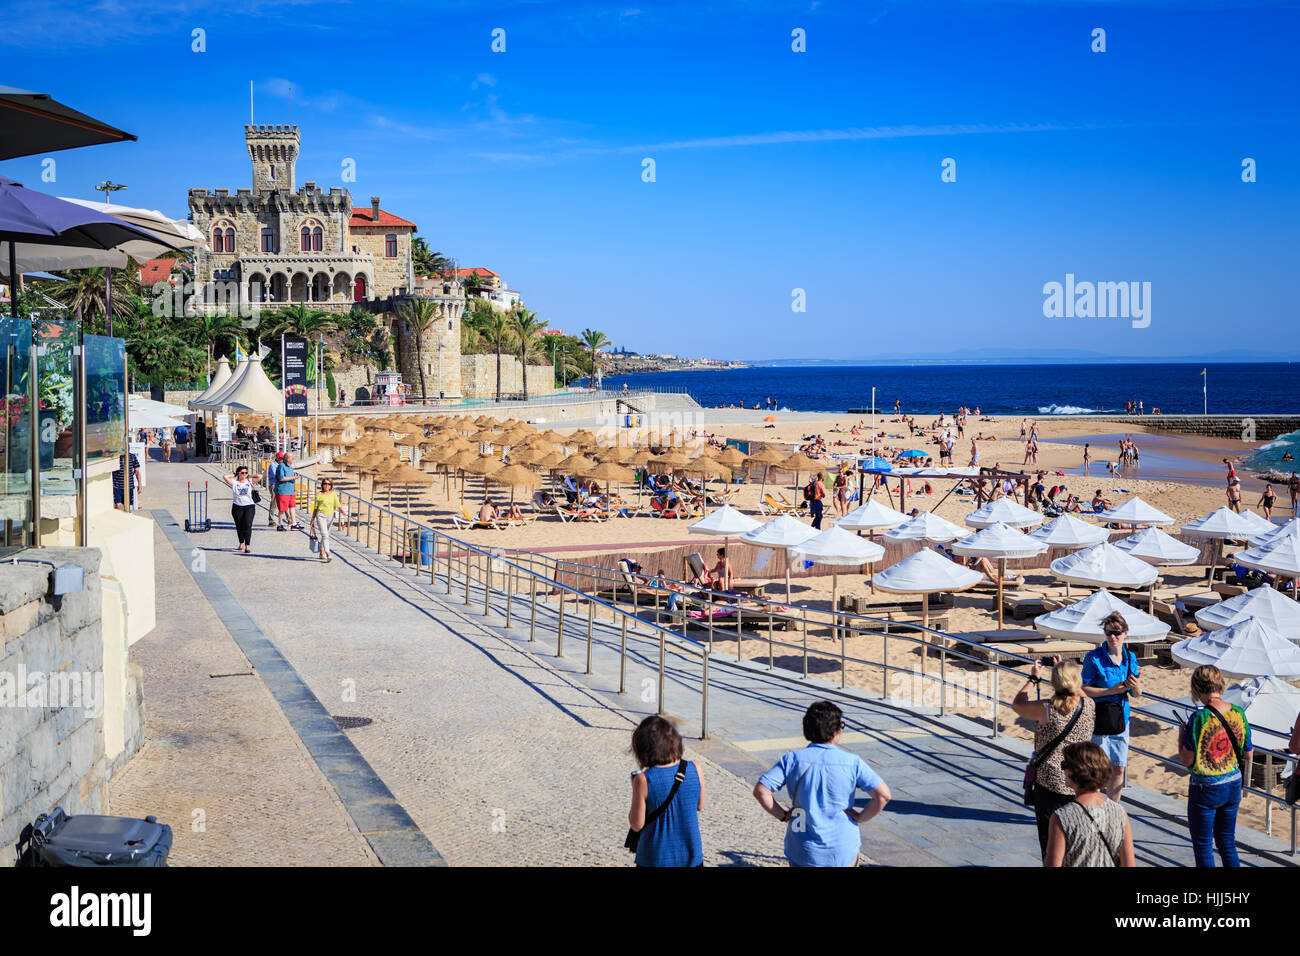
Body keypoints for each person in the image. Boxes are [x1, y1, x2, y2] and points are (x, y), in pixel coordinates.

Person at [753, 701, 891, 867]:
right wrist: (861, 817)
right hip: (841, 846)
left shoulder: (792, 760)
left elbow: (761, 791)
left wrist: (782, 815)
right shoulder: (852, 762)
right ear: (836, 731)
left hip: (802, 846)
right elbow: (883, 796)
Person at [1012, 658, 1096, 857]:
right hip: (1080, 782)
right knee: (1077, 842)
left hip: (1050, 782)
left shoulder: (1046, 709)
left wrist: (1033, 678)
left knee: (1051, 843)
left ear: (1055, 683)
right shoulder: (1089, 705)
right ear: (1077, 681)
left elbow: (1018, 703)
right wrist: (1067, 670)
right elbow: (1079, 691)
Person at [1178, 664, 1252, 867]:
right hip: (1233, 784)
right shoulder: (1238, 713)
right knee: (1227, 843)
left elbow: (1187, 759)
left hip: (1206, 788)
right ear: (1221, 685)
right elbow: (1248, 752)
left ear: (1197, 688)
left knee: (1203, 846)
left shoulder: (1199, 718)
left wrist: (1181, 735)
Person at [627, 715, 704, 867]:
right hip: (691, 856)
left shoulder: (643, 780)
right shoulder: (695, 767)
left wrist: (635, 788)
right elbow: (700, 805)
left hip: (655, 858)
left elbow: (636, 824)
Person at [1081, 611, 1142, 803]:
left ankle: (1112, 808)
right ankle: (1092, 806)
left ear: (1125, 633)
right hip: (1099, 719)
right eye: (1108, 633)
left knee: (1119, 767)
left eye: (1117, 632)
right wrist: (1110, 691)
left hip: (1121, 720)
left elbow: (1136, 694)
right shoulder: (1094, 658)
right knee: (1098, 769)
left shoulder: (1130, 658)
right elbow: (1083, 689)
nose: (1113, 637)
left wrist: (1137, 687)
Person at [1045, 742, 1136, 867]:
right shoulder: (1120, 812)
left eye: (1064, 765)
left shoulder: (1062, 817)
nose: (1063, 770)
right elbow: (1129, 864)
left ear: (1074, 772)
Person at [222, 465, 262, 554]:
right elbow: (225, 477)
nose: (244, 474)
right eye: (242, 473)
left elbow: (260, 476)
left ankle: (247, 546)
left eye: (246, 473)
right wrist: (234, 474)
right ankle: (241, 543)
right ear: (239, 473)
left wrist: (249, 475)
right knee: (239, 526)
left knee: (247, 525)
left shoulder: (250, 481)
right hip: (237, 507)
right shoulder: (235, 483)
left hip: (249, 506)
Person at [310, 478, 346, 563]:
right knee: (325, 535)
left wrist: (343, 512)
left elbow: (337, 504)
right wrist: (312, 519)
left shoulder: (333, 494)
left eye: (329, 484)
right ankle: (328, 554)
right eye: (325, 484)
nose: (327, 486)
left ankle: (321, 552)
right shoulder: (318, 494)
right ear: (322, 485)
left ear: (331, 486)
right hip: (321, 516)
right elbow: (315, 508)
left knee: (326, 535)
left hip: (330, 516)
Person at [275, 452, 301, 530]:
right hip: (283, 491)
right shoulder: (281, 466)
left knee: (292, 507)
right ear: (287, 459)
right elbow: (281, 478)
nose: (293, 459)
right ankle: (280, 524)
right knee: (282, 509)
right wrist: (293, 478)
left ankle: (294, 524)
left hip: (290, 491)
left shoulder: (290, 467)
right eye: (292, 457)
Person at [266, 453, 284, 527]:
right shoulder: (273, 465)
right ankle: (271, 520)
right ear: (278, 458)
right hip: (274, 485)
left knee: (284, 502)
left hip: (281, 485)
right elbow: (276, 475)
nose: (283, 460)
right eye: (282, 459)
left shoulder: (282, 465)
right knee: (274, 502)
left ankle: (290, 520)